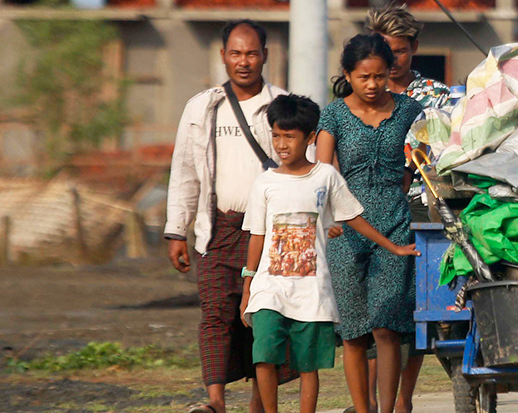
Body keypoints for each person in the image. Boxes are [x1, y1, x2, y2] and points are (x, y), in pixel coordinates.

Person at [239, 94, 419, 413]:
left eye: (289, 136)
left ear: (310, 138)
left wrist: (393, 247)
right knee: (264, 355)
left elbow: (351, 217)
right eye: (276, 135)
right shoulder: (264, 183)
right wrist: (248, 285)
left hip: (311, 290)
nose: (281, 144)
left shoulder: (326, 177)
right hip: (270, 288)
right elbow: (257, 236)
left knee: (309, 366)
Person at [163, 19, 291, 413]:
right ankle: (215, 402)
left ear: (266, 56)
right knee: (215, 315)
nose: (244, 61)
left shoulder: (284, 105)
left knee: (264, 320)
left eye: (252, 53)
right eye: (235, 53)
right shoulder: (202, 106)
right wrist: (175, 231)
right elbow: (185, 170)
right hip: (216, 228)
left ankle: (258, 402)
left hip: (270, 233)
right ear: (223, 57)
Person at [315, 34, 424, 413]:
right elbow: (324, 174)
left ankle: (392, 408)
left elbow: (422, 158)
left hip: (395, 224)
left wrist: (406, 181)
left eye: (380, 76)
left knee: (386, 325)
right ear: (348, 74)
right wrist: (328, 217)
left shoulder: (409, 110)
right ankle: (364, 409)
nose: (373, 85)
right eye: (364, 77)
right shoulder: (333, 114)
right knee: (354, 332)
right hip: (345, 230)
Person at [360, 5, 452, 412]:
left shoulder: (437, 97)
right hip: (366, 211)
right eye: (384, 50)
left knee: (412, 311)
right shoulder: (354, 94)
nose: (392, 61)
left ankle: (403, 401)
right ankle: (368, 402)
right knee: (371, 314)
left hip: (418, 211)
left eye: (399, 51)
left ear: (414, 47)